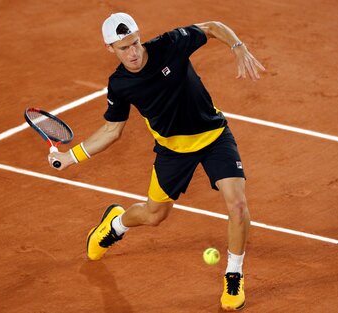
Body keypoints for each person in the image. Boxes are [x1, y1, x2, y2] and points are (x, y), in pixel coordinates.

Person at [49, 12, 265, 311]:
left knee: (238, 204)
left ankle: (234, 274)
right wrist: (69, 158)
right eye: (124, 48)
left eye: (135, 43)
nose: (134, 52)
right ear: (110, 48)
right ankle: (115, 225)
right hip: (172, 152)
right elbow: (113, 130)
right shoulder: (120, 85)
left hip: (214, 136)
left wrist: (237, 46)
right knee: (153, 216)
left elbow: (212, 27)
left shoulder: (170, 45)